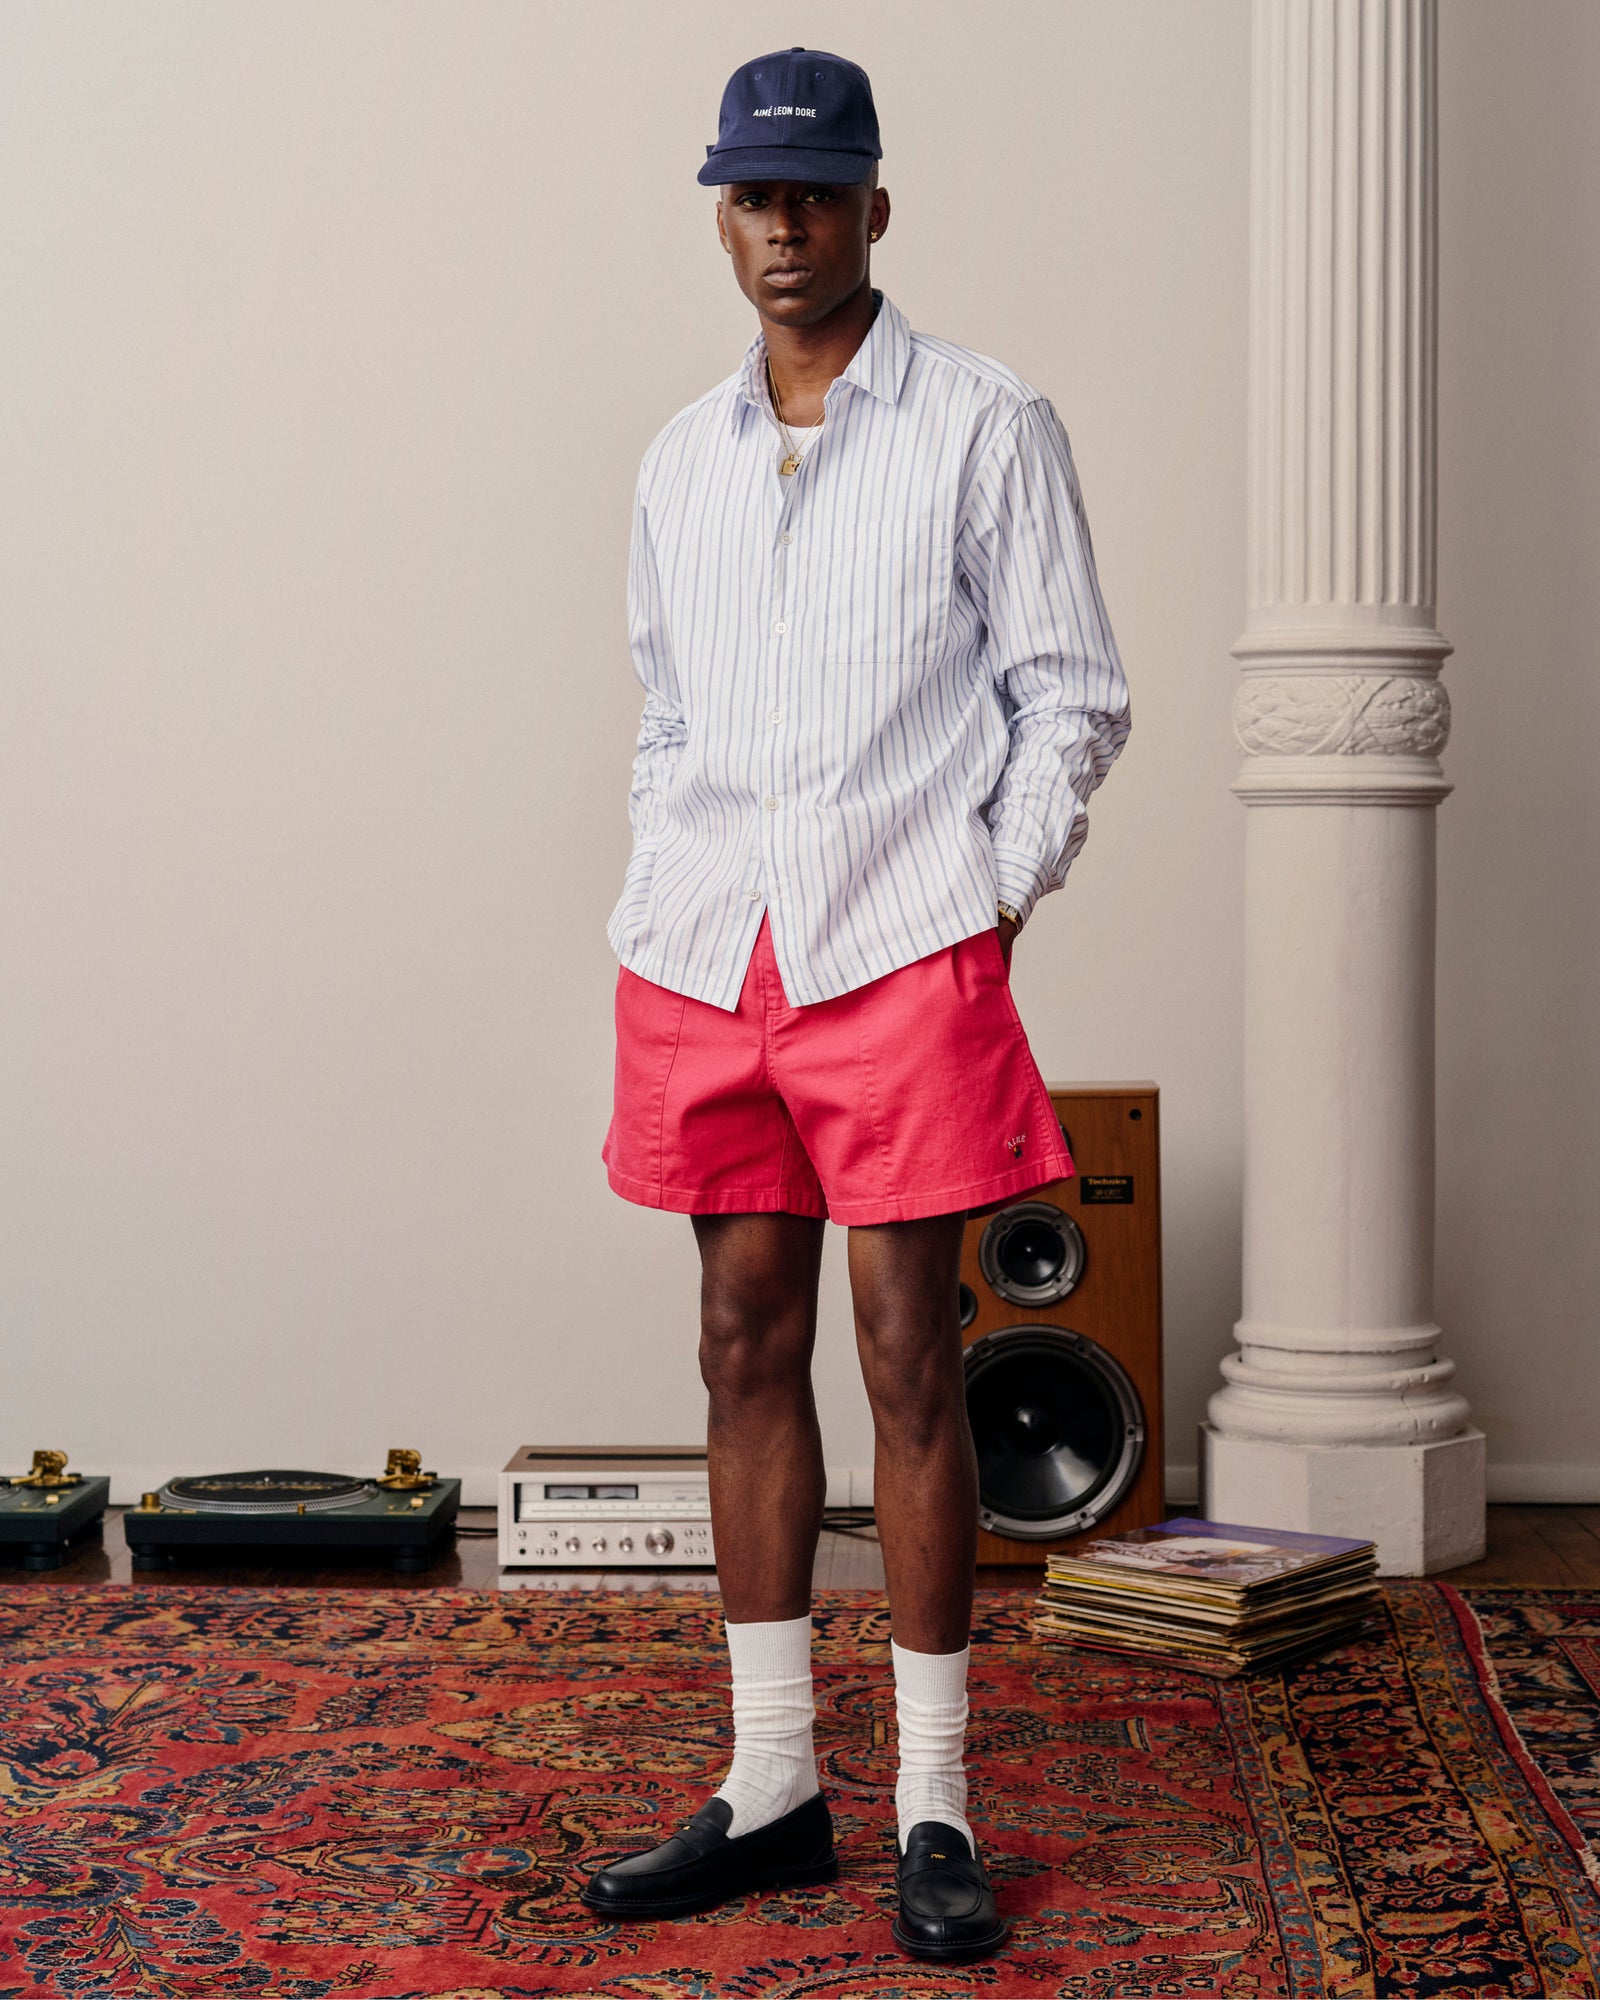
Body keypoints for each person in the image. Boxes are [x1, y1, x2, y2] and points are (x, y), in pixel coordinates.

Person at [578, 45, 1130, 1964]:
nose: (785, 228)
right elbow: (667, 714)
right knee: (742, 1341)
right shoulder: (680, 458)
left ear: (876, 207)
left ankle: (933, 1802)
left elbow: (1072, 696)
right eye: (754, 197)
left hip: (900, 948)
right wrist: (666, 879)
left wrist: (981, 903)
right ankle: (772, 1788)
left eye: (816, 194)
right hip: (708, 954)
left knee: (908, 1355)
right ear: (722, 216)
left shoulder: (987, 423)